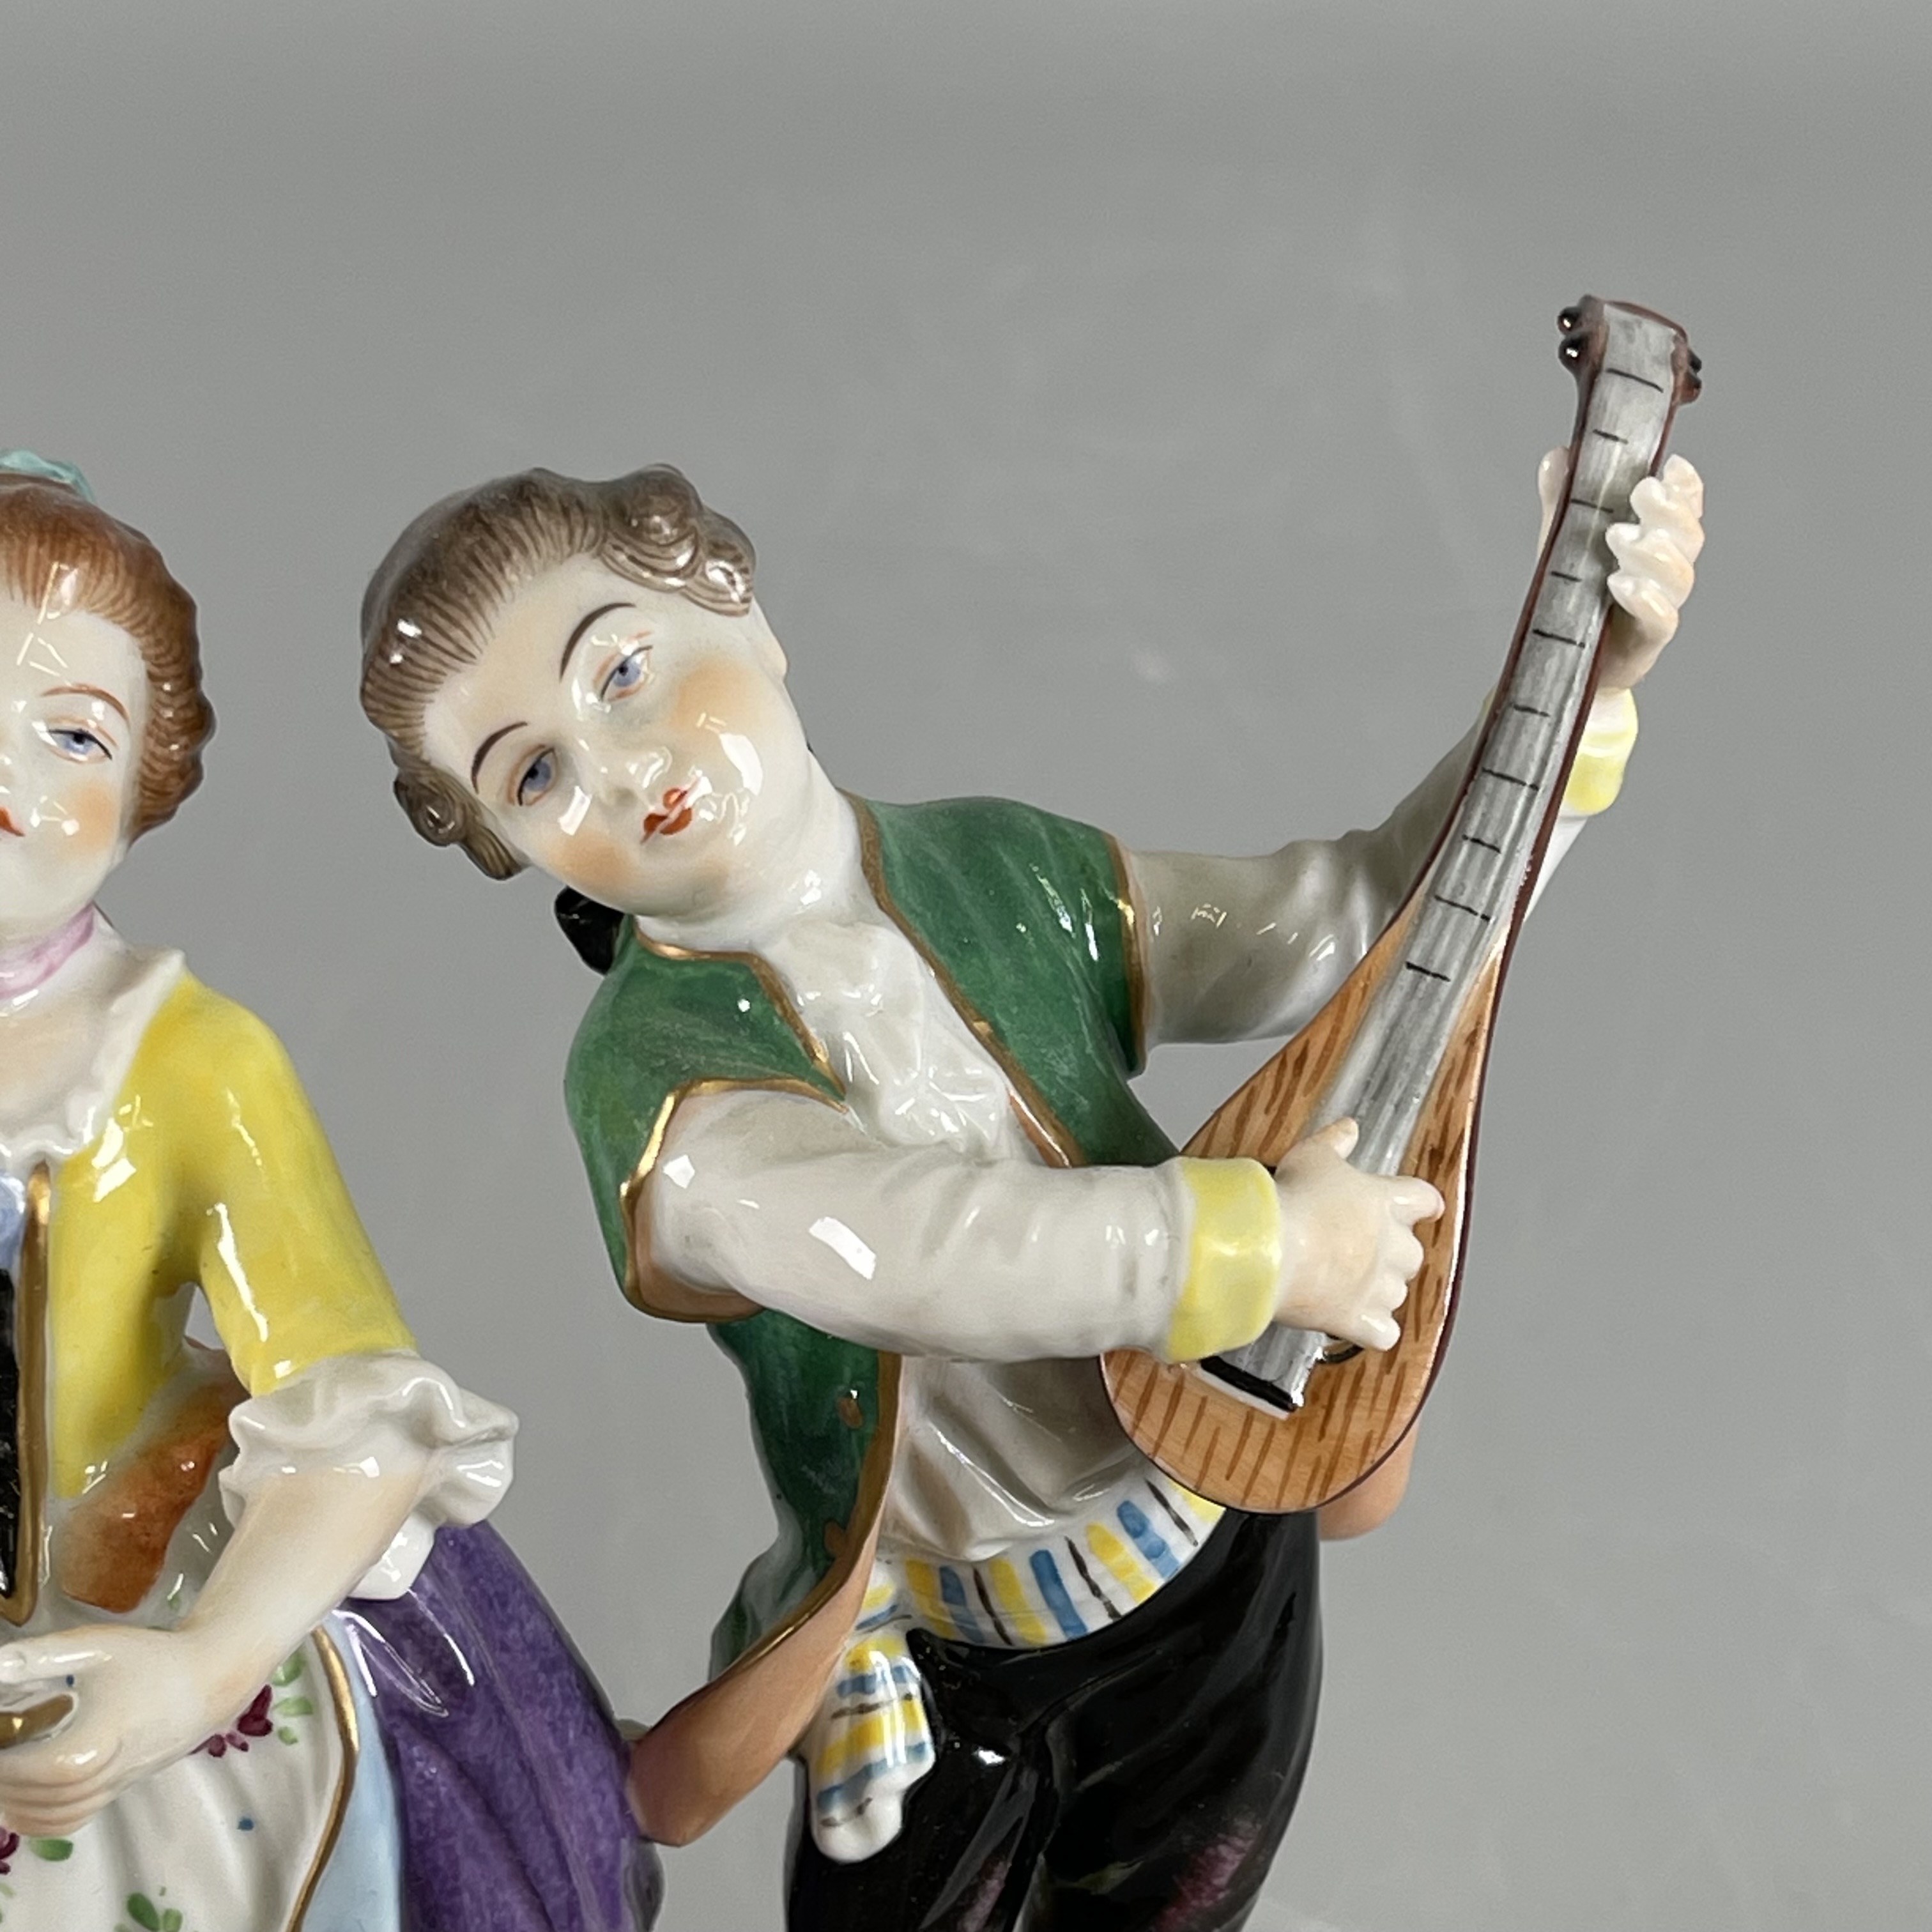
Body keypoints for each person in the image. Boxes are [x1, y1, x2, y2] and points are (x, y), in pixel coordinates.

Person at [358, 448, 1703, 1929]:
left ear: (742, 608)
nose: (618, 767)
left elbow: (1347, 928)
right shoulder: (653, 1078)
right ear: (509, 845)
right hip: (943, 1656)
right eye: (535, 775)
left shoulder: (1003, 871)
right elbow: (902, 1247)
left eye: (624, 670)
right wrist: (1249, 1245)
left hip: (1213, 1535)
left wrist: (1571, 702)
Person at [0, 453, 657, 1932]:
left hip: (102, 1636)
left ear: (142, 786)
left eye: (71, 733)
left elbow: (353, 1406)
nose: (9, 779)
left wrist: (203, 1669)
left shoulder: (182, 1060)